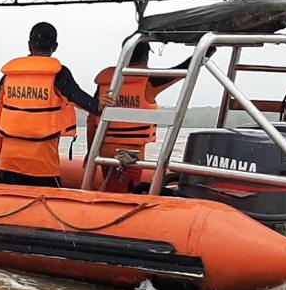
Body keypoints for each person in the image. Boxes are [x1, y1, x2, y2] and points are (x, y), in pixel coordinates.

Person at [0, 22, 113, 187]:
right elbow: (78, 98)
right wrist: (98, 104)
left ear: (29, 45)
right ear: (55, 46)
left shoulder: (10, 76)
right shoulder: (58, 74)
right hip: (42, 165)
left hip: (9, 162)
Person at [87, 42, 211, 191]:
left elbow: (91, 119)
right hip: (130, 155)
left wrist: (90, 151)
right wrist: (208, 49)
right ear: (146, 57)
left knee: (112, 188)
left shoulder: (107, 83)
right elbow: (184, 69)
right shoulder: (149, 81)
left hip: (105, 150)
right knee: (123, 194)